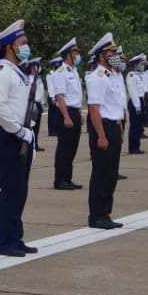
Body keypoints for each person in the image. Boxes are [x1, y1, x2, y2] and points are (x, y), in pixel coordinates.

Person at [0, 20, 40, 256]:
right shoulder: (2, 71)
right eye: (22, 43)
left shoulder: (18, 71)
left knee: (20, 190)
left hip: (23, 136)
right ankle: (6, 242)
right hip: (10, 136)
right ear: (9, 47)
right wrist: (19, 131)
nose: (25, 47)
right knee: (10, 191)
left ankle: (16, 237)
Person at [85, 33, 126, 228]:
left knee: (111, 173)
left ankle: (105, 213)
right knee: (101, 173)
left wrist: (120, 129)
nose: (115, 55)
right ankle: (97, 215)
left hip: (114, 126)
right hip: (103, 127)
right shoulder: (98, 77)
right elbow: (94, 108)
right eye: (111, 52)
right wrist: (101, 135)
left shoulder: (113, 76)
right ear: (101, 56)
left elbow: (116, 105)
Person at [52, 38, 85, 191]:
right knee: (64, 148)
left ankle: (68, 178)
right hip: (66, 112)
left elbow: (76, 96)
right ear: (68, 54)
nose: (77, 55)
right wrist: (66, 117)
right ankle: (60, 180)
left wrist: (79, 113)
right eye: (75, 52)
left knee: (72, 148)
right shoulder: (61, 72)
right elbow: (60, 97)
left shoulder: (74, 71)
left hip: (74, 111)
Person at [126, 53, 148, 154]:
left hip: (140, 101)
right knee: (134, 126)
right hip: (135, 102)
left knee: (138, 125)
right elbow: (133, 92)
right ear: (135, 65)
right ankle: (133, 148)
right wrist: (137, 106)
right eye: (141, 64)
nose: (143, 66)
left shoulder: (139, 75)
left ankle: (137, 146)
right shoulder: (131, 75)